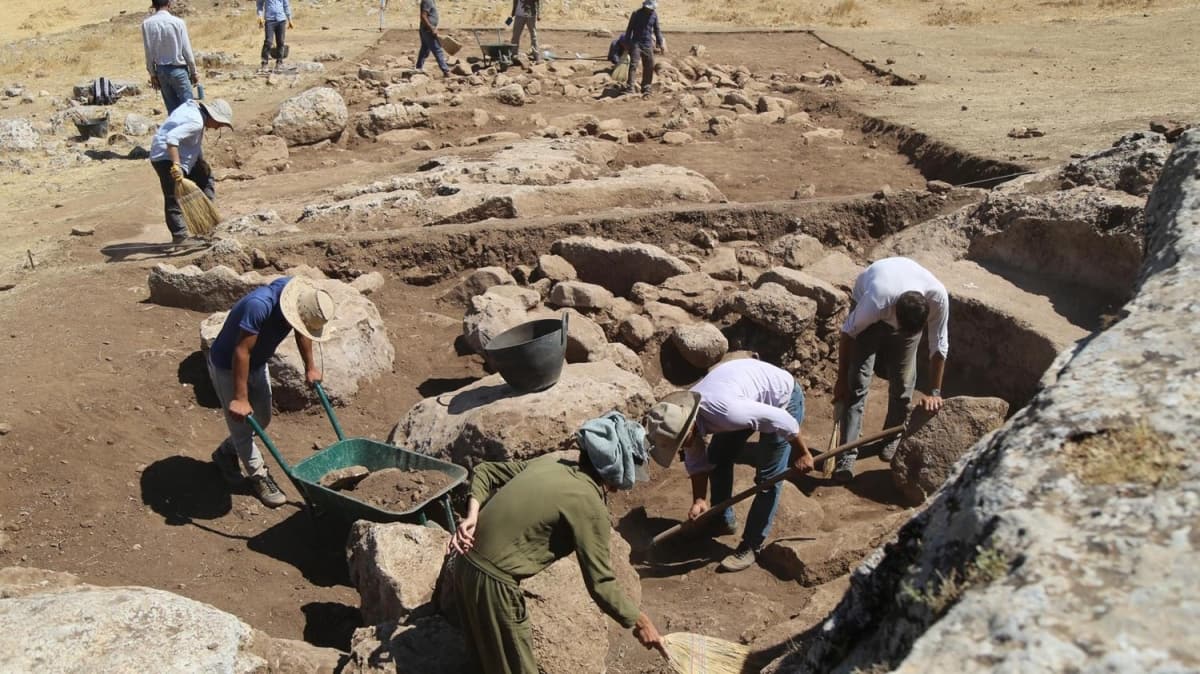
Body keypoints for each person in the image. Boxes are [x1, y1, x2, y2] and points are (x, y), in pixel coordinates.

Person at [449, 412, 667, 672]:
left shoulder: (552, 464)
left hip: (463, 562)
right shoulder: (589, 504)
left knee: (486, 663)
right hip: (493, 586)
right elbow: (601, 584)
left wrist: (472, 514)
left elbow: (486, 471)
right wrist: (640, 621)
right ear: (619, 468)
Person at [645, 358, 814, 573]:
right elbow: (697, 462)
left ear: (691, 428)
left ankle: (752, 545)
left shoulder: (727, 412)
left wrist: (803, 453)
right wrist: (699, 500)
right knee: (717, 457)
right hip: (747, 395)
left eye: (681, 442)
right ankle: (722, 520)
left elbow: (783, 419)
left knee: (768, 479)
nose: (682, 447)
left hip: (782, 400)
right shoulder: (683, 415)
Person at [207, 277, 338, 508]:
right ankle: (259, 475)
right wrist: (240, 397)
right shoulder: (260, 305)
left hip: (258, 364)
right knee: (242, 427)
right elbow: (241, 351)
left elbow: (302, 330)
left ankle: (226, 452)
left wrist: (310, 367)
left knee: (263, 419)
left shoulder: (301, 300)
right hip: (229, 367)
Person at [832, 256, 950, 483]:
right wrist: (840, 380)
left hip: (903, 308)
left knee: (904, 383)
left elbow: (939, 346)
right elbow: (847, 333)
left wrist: (935, 392)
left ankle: (892, 436)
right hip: (869, 300)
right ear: (894, 312)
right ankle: (846, 454)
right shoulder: (876, 301)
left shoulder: (938, 298)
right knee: (857, 383)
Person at [148, 98, 232, 245]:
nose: (217, 127)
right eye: (219, 123)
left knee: (205, 178)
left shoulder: (196, 112)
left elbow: (187, 139)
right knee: (173, 195)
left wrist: (196, 160)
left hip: (182, 154)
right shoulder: (196, 122)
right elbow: (171, 138)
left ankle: (206, 222)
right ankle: (180, 237)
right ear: (213, 116)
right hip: (165, 156)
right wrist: (176, 166)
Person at [141, 0, 199, 113]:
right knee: (190, 109)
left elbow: (148, 52)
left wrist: (152, 74)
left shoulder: (147, 24)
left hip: (161, 71)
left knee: (173, 112)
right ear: (169, 4)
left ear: (153, 5)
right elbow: (186, 50)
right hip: (179, 70)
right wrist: (194, 72)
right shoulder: (178, 22)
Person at [623, 0, 665, 96]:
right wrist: (627, 42)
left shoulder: (654, 15)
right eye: (650, 9)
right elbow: (629, 29)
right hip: (636, 43)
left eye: (653, 9)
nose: (652, 10)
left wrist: (660, 42)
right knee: (633, 65)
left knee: (649, 65)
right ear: (645, 6)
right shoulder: (636, 14)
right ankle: (630, 88)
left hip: (648, 44)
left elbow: (657, 29)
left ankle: (646, 87)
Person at [256, 0, 294, 73]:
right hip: (270, 20)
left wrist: (290, 19)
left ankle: (279, 62)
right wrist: (260, 16)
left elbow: (286, 5)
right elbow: (259, 5)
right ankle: (264, 63)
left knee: (280, 42)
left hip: (281, 20)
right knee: (268, 41)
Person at [416, 0, 451, 77]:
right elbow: (423, 16)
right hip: (428, 30)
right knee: (437, 49)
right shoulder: (427, 1)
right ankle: (446, 71)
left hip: (426, 28)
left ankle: (418, 68)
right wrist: (431, 28)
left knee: (425, 49)